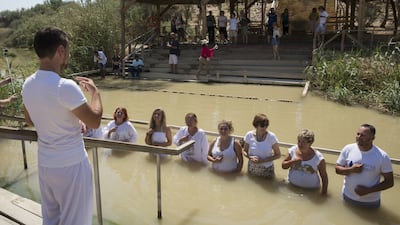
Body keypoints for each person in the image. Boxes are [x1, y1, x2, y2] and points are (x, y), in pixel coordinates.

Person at [21, 27, 103, 225]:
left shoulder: (28, 84)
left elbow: (31, 120)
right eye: (68, 50)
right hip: (71, 166)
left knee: (51, 219)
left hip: (46, 164)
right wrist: (96, 94)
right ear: (60, 51)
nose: (69, 54)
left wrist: (73, 123)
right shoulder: (65, 86)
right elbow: (95, 121)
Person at [335, 124, 394, 208]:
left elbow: (389, 182)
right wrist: (351, 170)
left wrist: (368, 191)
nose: (359, 137)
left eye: (363, 135)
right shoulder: (348, 149)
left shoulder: (382, 156)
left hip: (370, 202)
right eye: (358, 134)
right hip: (347, 197)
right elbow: (337, 169)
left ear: (372, 138)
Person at [282, 129, 328, 195]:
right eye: (299, 141)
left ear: (310, 143)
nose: (300, 144)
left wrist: (324, 193)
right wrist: (292, 161)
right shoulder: (292, 151)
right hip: (292, 188)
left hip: (311, 191)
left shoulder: (318, 158)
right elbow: (283, 166)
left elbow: (324, 177)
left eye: (303, 142)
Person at [243, 113, 281, 179]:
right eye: (262, 125)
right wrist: (250, 157)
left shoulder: (272, 137)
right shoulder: (249, 135)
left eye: (266, 125)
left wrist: (262, 161)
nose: (265, 127)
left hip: (267, 170)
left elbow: (278, 155)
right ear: (256, 125)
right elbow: (244, 151)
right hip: (252, 169)